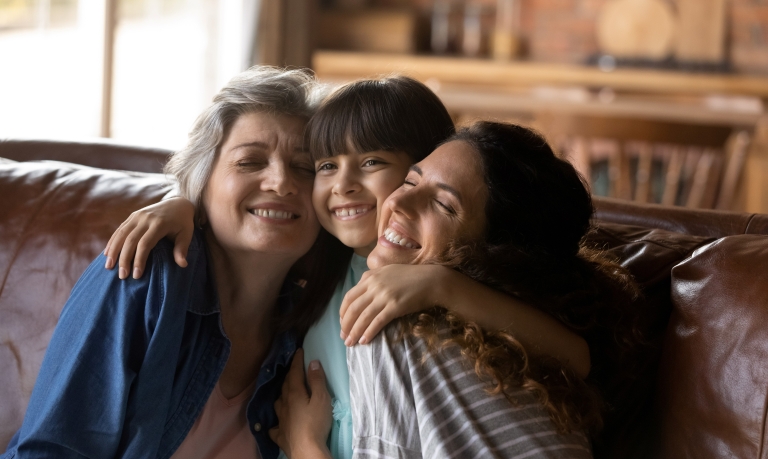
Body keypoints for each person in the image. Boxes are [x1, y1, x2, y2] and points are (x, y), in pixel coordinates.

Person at [103, 77, 593, 459]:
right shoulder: (317, 257)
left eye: (374, 161)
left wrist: (442, 285)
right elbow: (254, 217)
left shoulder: (437, 290)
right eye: (325, 166)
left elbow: (576, 355)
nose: (343, 185)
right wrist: (183, 204)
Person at [2, 66, 332, 459]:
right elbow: (53, 451)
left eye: (305, 167)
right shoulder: (143, 274)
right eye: (249, 162)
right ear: (201, 185)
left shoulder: (313, 327)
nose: (281, 182)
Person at [287, 121, 640, 458]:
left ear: (497, 254)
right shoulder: (518, 338)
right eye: (410, 182)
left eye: (443, 205)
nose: (397, 204)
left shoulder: (399, 322)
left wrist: (305, 447)